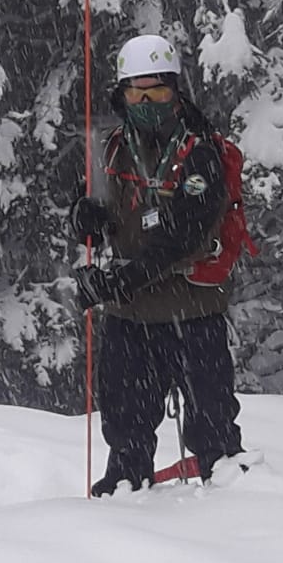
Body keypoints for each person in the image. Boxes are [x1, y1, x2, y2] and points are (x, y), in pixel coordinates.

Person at [70, 33, 244, 496]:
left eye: (157, 92)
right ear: (122, 94)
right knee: (125, 437)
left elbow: (183, 236)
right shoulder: (110, 149)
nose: (146, 103)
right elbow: (96, 211)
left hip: (193, 310)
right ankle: (125, 519)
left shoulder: (199, 150)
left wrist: (118, 281)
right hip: (130, 320)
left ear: (175, 90)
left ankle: (242, 525)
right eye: (136, 93)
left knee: (216, 439)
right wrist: (83, 217)